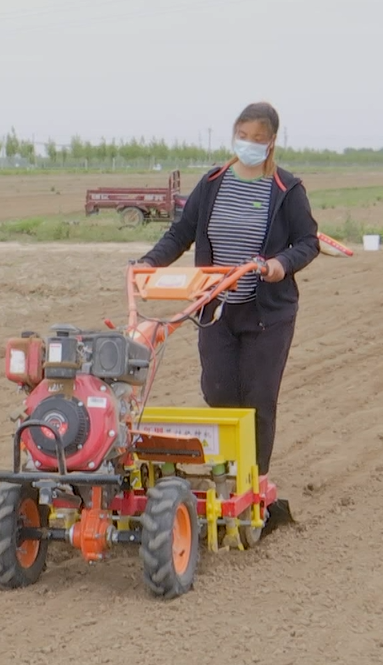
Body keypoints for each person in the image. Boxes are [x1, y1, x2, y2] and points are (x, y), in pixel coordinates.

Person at [138, 101, 320, 532]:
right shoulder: (215, 181)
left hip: (266, 313)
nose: (250, 145)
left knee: (258, 399)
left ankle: (254, 486)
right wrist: (149, 262)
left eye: (259, 139)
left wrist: (280, 264)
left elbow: (307, 242)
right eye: (243, 136)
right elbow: (182, 231)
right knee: (219, 393)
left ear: (272, 141)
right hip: (217, 308)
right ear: (233, 135)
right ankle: (227, 478)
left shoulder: (286, 188)